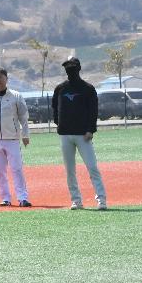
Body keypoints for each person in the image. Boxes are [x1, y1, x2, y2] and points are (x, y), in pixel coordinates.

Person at [51, 57, 107, 210]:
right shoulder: (60, 88)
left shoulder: (88, 88)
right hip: (65, 135)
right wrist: (59, 123)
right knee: (70, 170)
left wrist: (90, 129)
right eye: (68, 68)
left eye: (73, 67)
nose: (70, 70)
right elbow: (55, 108)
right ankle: (76, 200)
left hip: (84, 135)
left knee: (92, 167)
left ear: (79, 68)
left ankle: (101, 200)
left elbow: (93, 110)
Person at [0, 68, 32, 207]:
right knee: (0, 172)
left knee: (17, 169)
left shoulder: (16, 96)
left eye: (0, 77)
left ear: (6, 79)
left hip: (12, 139)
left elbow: (23, 117)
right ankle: (5, 198)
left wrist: (25, 135)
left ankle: (22, 197)